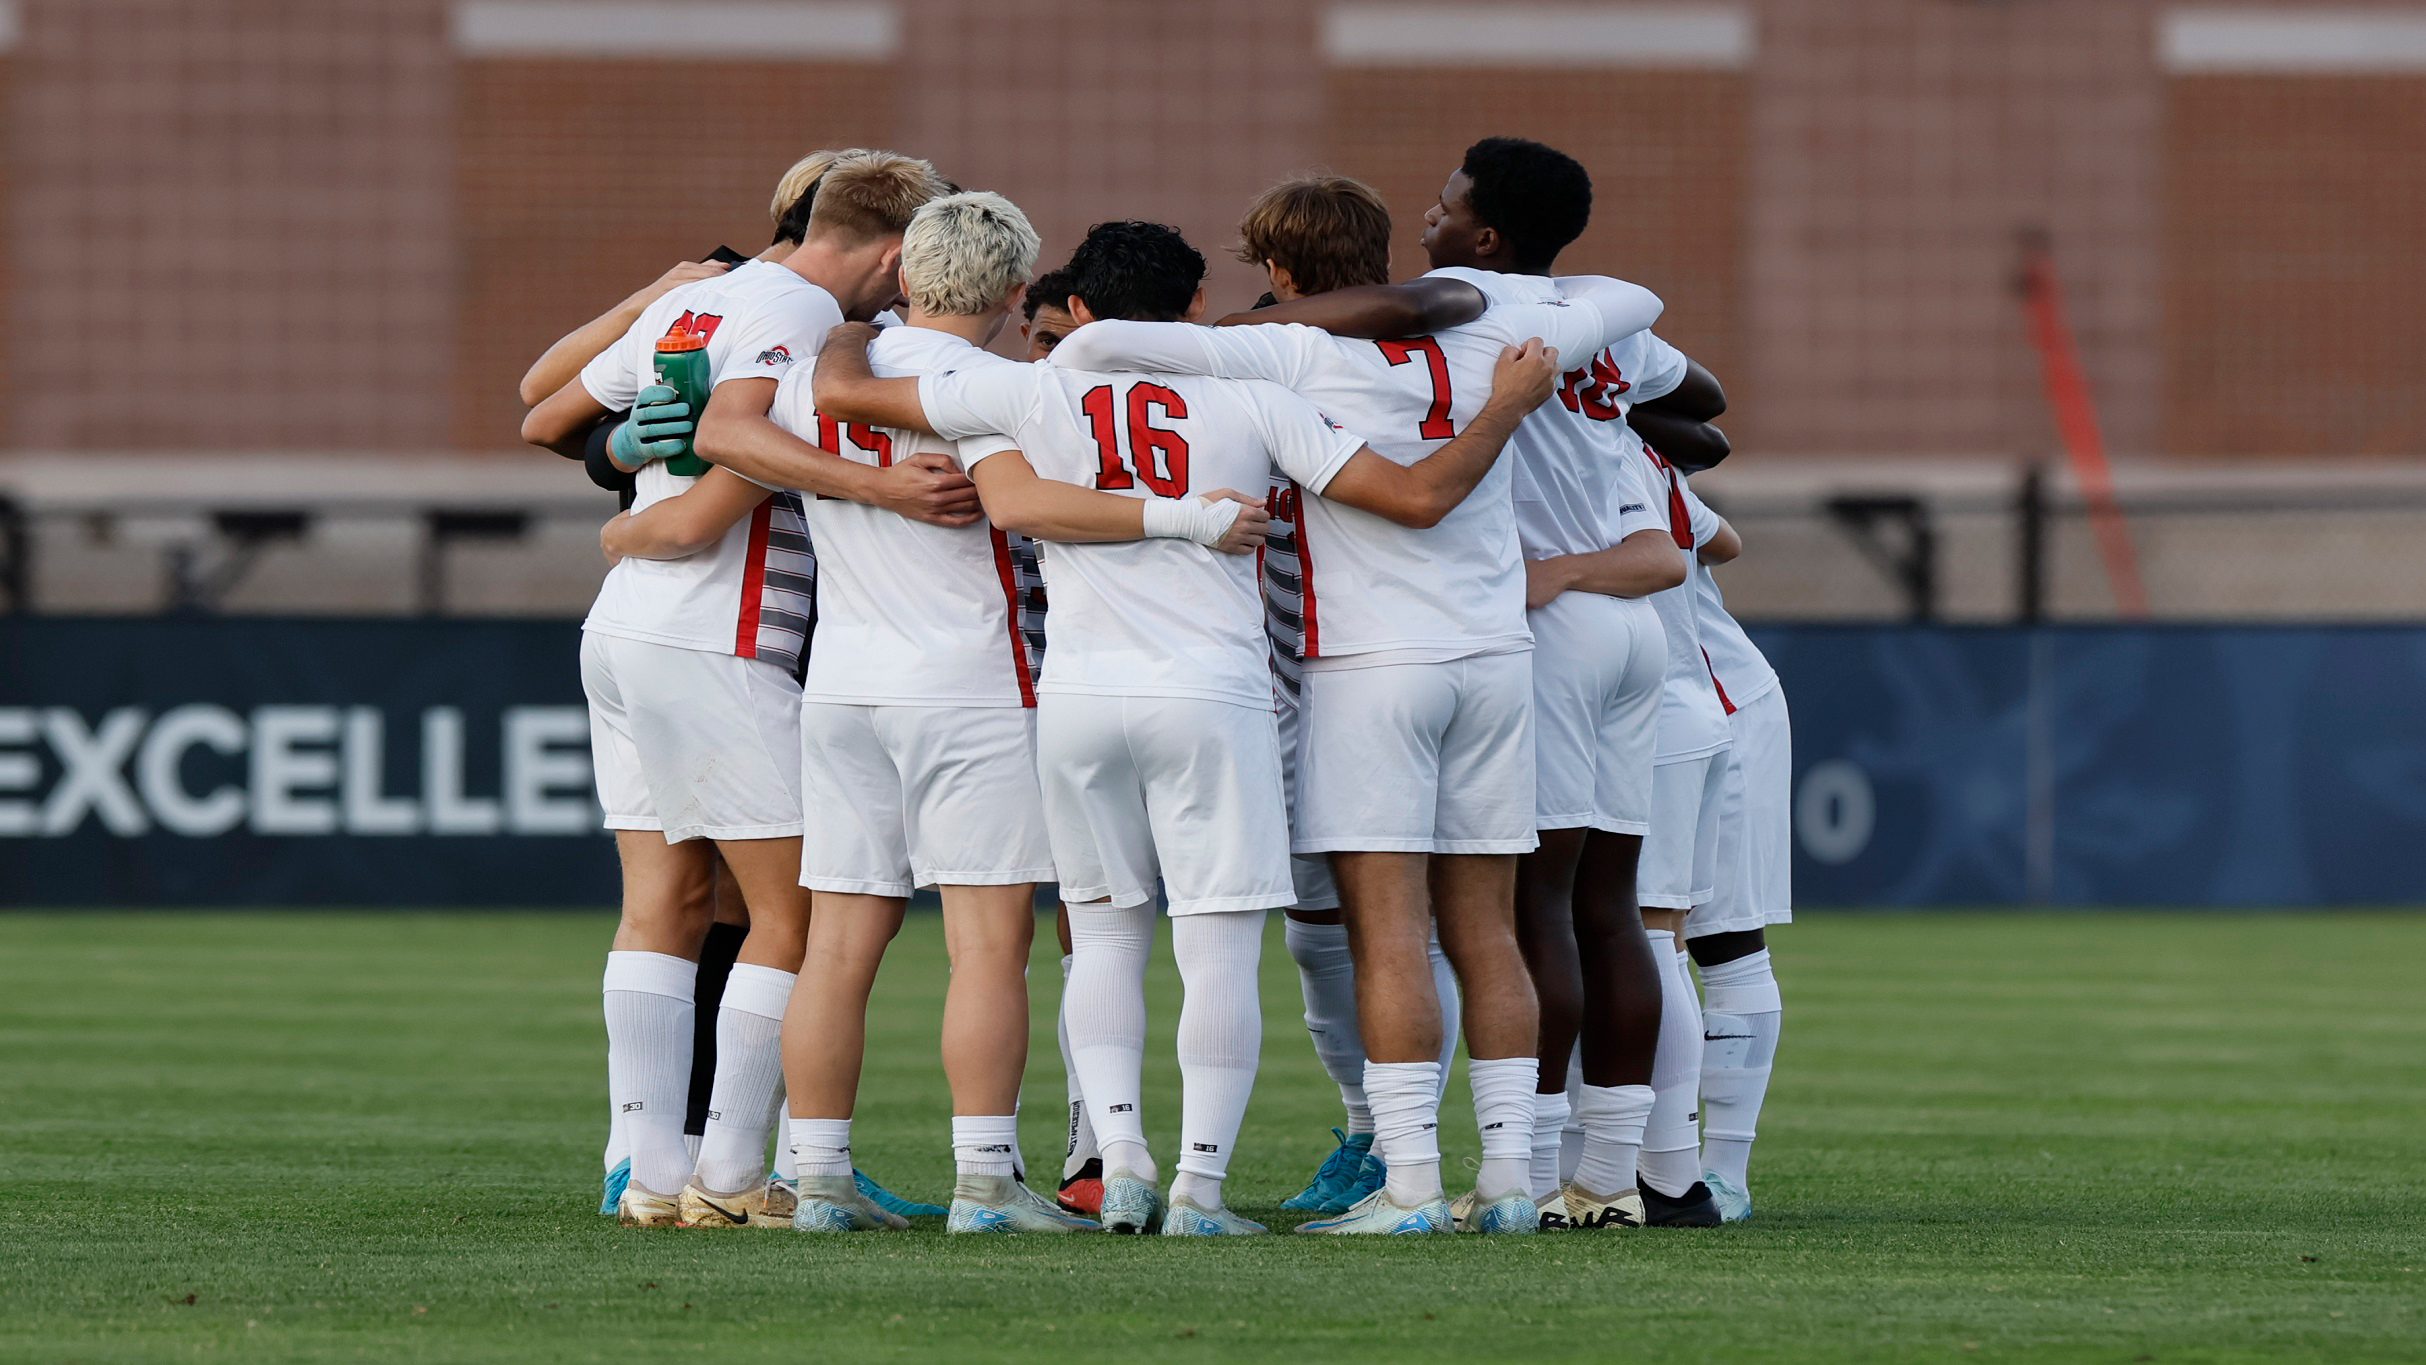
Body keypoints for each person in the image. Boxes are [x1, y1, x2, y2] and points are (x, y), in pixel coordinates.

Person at [814, 219, 1568, 1235]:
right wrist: (1503, 405)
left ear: (1074, 311)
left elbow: (886, 419)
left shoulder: (1031, 390)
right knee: (1216, 953)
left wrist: (850, 327)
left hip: (1079, 697)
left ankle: (1119, 1160)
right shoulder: (1258, 398)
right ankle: (1198, 1190)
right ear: (1198, 311)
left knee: (1106, 940)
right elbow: (1412, 495)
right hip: (1213, 692)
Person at [1039, 199, 1659, 1234]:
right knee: (1484, 930)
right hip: (1495, 662)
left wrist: (1222, 329)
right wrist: (1435, 302)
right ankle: (1508, 1178)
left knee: (1384, 936)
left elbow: (1098, 339)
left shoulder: (1283, 355)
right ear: (1380, 262)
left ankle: (1408, 1181)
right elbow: (1635, 298)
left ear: (1279, 270)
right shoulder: (1494, 329)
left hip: (1369, 667)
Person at [520, 151, 950, 1227]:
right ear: (894, 251)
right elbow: (730, 453)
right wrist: (882, 487)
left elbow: (547, 414)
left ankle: (650, 1175)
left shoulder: (702, 298)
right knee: (796, 910)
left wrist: (630, 480)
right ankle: (729, 1175)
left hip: (622, 627)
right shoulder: (799, 313)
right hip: (719, 627)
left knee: (661, 905)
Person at [688, 191, 1089, 1235]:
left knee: (835, 946)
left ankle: (817, 1178)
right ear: (1012, 294)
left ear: (904, 277)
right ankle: (986, 1181)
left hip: (845, 682)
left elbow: (732, 439)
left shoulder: (823, 376)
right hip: (974, 682)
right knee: (988, 947)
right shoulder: (1009, 386)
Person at [1673, 472, 1789, 1225]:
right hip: (1630, 706)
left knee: (1720, 939)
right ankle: (1607, 1164)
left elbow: (1724, 538)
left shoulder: (1620, 445)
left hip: (1717, 704)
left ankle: (1721, 1170)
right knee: (1613, 935)